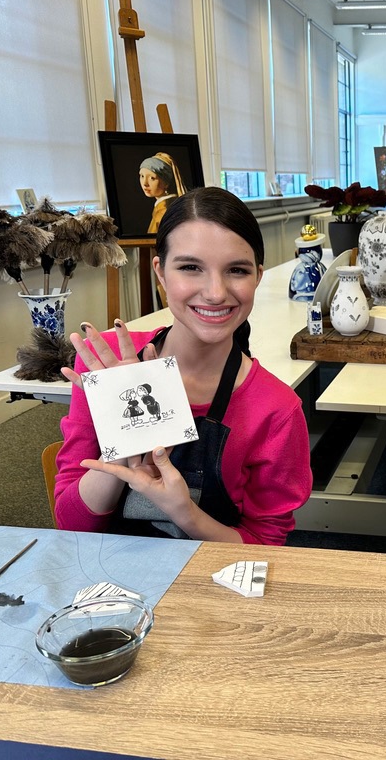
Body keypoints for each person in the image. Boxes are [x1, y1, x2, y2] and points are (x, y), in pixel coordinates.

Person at [54, 186, 312, 543]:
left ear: (257, 277)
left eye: (237, 270)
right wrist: (122, 446)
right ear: (161, 272)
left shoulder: (276, 409)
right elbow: (71, 528)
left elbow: (266, 544)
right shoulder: (107, 365)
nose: (216, 293)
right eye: (190, 267)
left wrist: (185, 513)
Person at [140, 152, 187, 233]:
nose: (145, 183)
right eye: (142, 176)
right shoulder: (167, 205)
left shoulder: (164, 210)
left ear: (166, 183)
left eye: (152, 178)